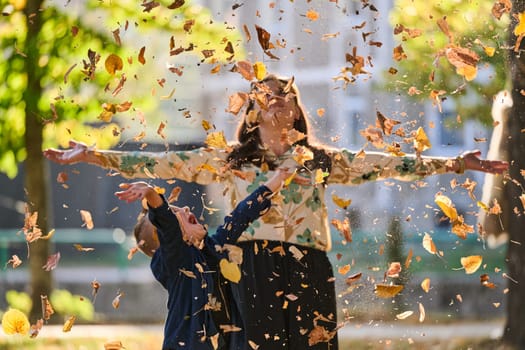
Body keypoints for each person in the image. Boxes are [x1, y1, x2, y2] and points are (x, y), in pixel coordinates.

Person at [44, 74, 509, 349]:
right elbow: (164, 161)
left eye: (287, 92)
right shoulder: (231, 160)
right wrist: (94, 155)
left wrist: (454, 163)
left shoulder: (319, 161)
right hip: (252, 266)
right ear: (252, 112)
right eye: (268, 93)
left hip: (312, 263)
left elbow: (380, 166)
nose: (281, 97)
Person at [115, 168, 291, 349]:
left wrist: (275, 181)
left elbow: (240, 216)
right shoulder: (178, 262)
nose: (185, 208)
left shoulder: (214, 247)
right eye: (176, 213)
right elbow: (166, 225)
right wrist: (151, 193)